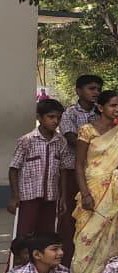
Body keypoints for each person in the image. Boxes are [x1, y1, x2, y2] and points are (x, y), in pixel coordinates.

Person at [72, 90, 118, 273]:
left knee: (113, 237)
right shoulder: (87, 130)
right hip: (93, 187)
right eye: (113, 105)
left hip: (116, 190)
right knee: (87, 237)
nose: (117, 109)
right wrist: (85, 194)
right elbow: (79, 164)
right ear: (101, 108)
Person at [58, 74, 103, 266]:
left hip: (95, 172)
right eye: (91, 88)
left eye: (98, 89)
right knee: (70, 215)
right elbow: (70, 138)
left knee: (93, 213)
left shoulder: (100, 113)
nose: (96, 92)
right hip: (71, 170)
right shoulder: (69, 113)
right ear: (78, 91)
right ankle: (67, 259)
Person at [8, 99, 67, 238]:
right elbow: (14, 169)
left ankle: (41, 259)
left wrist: (63, 197)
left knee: (46, 235)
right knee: (25, 234)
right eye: (51, 117)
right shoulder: (27, 140)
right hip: (29, 197)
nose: (55, 121)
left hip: (51, 197)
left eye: (58, 117)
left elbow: (63, 170)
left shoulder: (60, 142)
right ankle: (22, 260)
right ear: (39, 118)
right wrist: (15, 196)